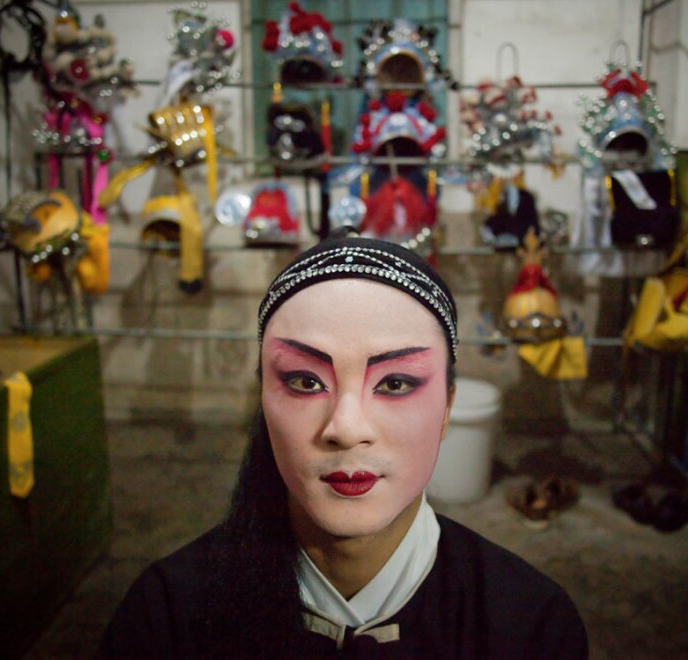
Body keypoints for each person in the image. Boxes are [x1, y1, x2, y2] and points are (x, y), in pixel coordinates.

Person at [98, 236, 588, 659]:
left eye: (396, 383)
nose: (346, 428)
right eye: (306, 381)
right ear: (262, 400)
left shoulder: (529, 625)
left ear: (446, 408)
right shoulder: (165, 617)